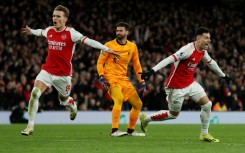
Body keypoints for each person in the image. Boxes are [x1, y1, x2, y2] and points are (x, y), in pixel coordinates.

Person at [21, 5, 119, 136]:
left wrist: (107, 49)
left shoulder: (71, 34)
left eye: (58, 16)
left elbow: (89, 41)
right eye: (54, 16)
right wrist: (31, 31)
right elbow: (40, 32)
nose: (54, 18)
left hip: (63, 75)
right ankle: (30, 126)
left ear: (65, 19)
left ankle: (72, 104)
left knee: (63, 101)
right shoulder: (49, 30)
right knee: (35, 93)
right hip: (47, 71)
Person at [139, 27, 233, 142]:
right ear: (198, 39)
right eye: (206, 38)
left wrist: (223, 75)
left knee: (207, 104)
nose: (209, 40)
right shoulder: (187, 50)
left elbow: (211, 63)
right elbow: (169, 59)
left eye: (209, 38)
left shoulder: (203, 51)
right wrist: (152, 71)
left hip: (190, 83)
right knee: (173, 115)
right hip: (176, 87)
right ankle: (146, 118)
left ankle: (204, 134)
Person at [97, 22, 146, 136]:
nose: (118, 33)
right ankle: (114, 130)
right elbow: (100, 63)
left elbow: (137, 65)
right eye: (117, 31)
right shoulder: (108, 45)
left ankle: (130, 130)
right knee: (118, 99)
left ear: (127, 32)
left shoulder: (132, 46)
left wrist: (142, 81)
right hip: (110, 77)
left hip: (123, 79)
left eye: (121, 31)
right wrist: (101, 77)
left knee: (138, 104)